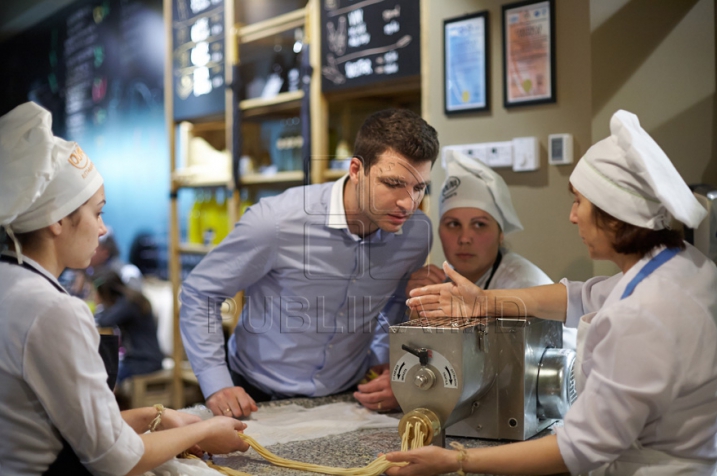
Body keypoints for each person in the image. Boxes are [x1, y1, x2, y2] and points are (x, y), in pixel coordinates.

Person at [389, 110, 717, 475]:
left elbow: (578, 448)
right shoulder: (684, 265)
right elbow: (579, 297)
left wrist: (457, 460)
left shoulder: (643, 314)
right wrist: (483, 302)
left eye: (579, 202)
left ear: (613, 213)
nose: (572, 216)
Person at [0, 102, 249, 475]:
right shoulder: (53, 311)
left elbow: (70, 426)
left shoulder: (11, 282)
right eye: (98, 213)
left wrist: (158, 417)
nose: (103, 229)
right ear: (56, 219)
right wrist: (208, 429)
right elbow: (115, 460)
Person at [180, 108, 439, 417]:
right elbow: (200, 293)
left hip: (348, 394)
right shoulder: (276, 222)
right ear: (356, 170)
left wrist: (383, 357)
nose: (408, 203)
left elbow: (394, 303)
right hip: (253, 393)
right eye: (393, 183)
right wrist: (216, 383)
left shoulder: (416, 235)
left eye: (419, 187)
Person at [405, 150, 576, 348]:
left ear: (500, 233)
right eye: (453, 224)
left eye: (479, 225)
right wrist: (417, 308)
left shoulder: (522, 284)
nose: (464, 238)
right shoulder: (443, 282)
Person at [93, 269, 165, 384]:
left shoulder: (129, 304)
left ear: (103, 292)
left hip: (144, 361)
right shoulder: (130, 299)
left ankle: (109, 401)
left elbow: (104, 321)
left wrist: (99, 305)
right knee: (104, 369)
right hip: (145, 358)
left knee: (105, 375)